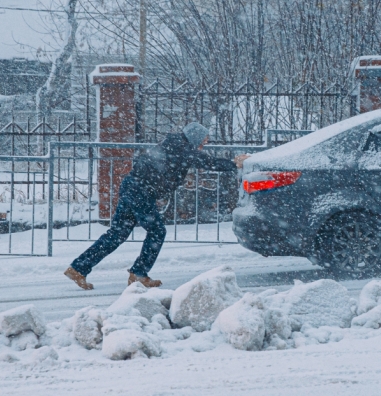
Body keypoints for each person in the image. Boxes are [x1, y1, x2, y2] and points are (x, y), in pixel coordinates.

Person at [64, 122, 249, 290]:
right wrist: (234, 163)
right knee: (157, 231)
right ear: (194, 138)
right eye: (203, 141)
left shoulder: (174, 145)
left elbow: (195, 160)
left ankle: (79, 268)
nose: (204, 145)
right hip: (140, 192)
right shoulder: (182, 149)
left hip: (133, 187)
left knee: (117, 234)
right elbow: (208, 162)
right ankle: (139, 273)